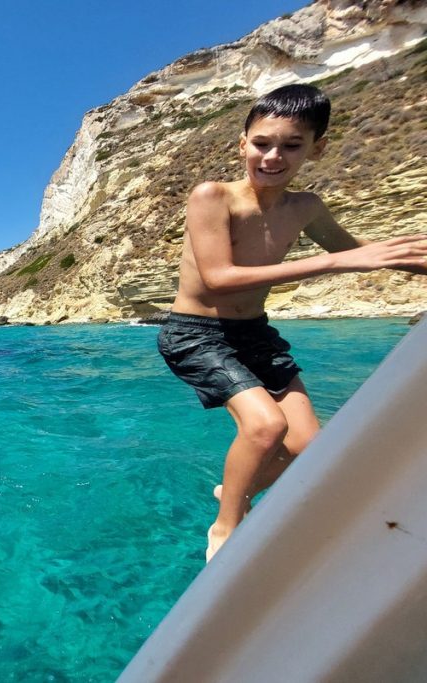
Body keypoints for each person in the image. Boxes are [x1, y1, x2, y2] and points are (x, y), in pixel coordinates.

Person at [157, 84, 427, 562]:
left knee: (309, 445)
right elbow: (219, 278)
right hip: (195, 334)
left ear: (316, 149)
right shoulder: (212, 197)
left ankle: (233, 491)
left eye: (292, 145)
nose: (272, 156)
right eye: (262, 143)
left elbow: (356, 253)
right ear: (243, 144)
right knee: (265, 428)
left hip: (255, 334)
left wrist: (400, 259)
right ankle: (225, 530)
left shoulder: (307, 208)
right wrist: (337, 265)